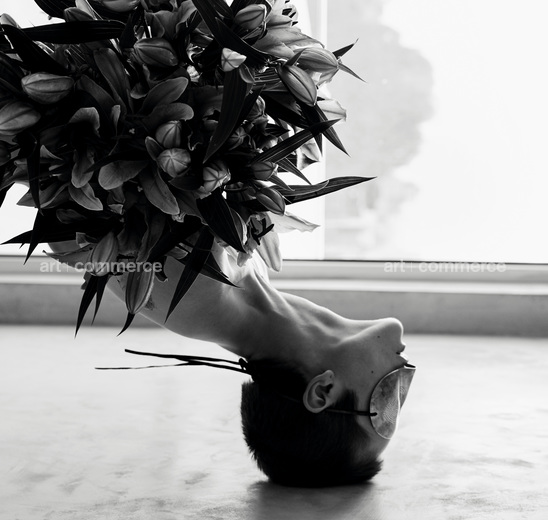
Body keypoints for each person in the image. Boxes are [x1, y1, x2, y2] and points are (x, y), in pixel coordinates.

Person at [103, 240, 416, 487]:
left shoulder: (186, 289)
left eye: (386, 407)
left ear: (323, 391)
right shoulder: (247, 273)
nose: (401, 383)